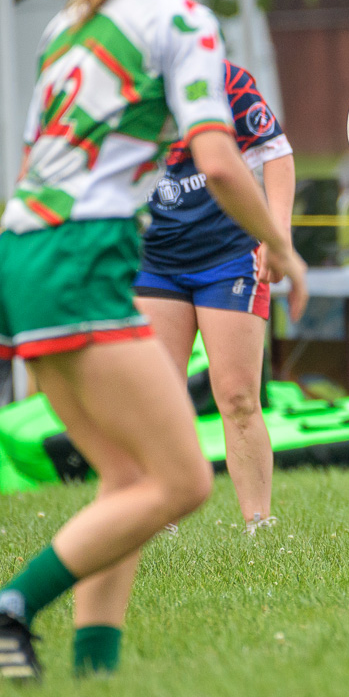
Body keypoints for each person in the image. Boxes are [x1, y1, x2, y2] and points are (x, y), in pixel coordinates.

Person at [0, 0, 308, 683]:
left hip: (24, 249)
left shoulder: (71, 19)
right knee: (181, 482)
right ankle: (3, 608)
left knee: (127, 478)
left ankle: (94, 672)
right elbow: (221, 161)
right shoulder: (184, 20)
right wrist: (282, 247)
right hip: (83, 254)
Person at [134, 60, 294, 532]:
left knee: (238, 395)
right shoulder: (117, 79)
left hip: (230, 253)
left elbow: (277, 154)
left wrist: (277, 235)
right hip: (155, 258)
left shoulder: (225, 79)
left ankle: (257, 523)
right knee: (159, 392)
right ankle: (158, 516)